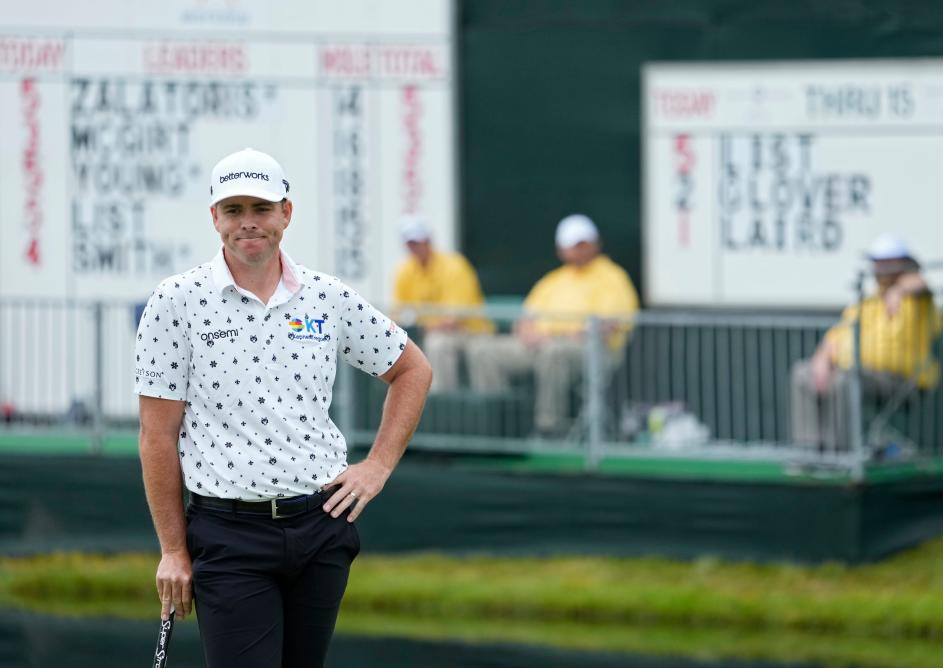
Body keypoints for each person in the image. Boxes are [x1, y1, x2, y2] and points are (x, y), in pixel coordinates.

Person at [135, 148, 431, 667]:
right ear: (214, 219)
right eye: (233, 210)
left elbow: (412, 370)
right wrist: (173, 551)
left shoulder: (327, 297)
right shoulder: (176, 300)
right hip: (229, 537)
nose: (248, 223)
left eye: (261, 208)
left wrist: (378, 466)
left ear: (285, 214)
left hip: (320, 525)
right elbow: (157, 436)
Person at [466, 214, 639, 436]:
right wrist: (528, 333)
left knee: (554, 352)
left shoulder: (613, 277)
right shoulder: (553, 280)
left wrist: (562, 337)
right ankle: (498, 423)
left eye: (582, 244)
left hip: (592, 352)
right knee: (483, 350)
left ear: (595, 244)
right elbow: (525, 320)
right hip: (541, 344)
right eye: (571, 245)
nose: (577, 250)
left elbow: (609, 325)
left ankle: (548, 427)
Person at [791, 233, 943, 450]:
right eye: (878, 263)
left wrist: (899, 290)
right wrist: (822, 359)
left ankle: (839, 452)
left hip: (902, 380)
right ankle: (809, 449)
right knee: (804, 373)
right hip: (860, 371)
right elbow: (838, 335)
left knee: (845, 380)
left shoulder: (917, 299)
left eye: (887, 263)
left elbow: (921, 284)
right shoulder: (868, 302)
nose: (881, 269)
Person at [392, 214, 493, 392]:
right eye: (410, 243)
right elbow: (398, 314)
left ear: (428, 240)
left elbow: (453, 321)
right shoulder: (405, 271)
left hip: (471, 332)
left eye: (417, 241)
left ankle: (443, 408)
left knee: (438, 344)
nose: (414, 247)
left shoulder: (454, 266)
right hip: (426, 333)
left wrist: (418, 326)